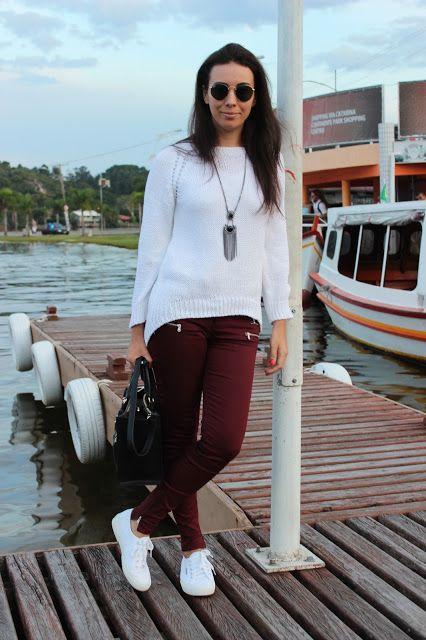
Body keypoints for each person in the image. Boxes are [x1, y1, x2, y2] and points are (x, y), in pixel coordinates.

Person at [111, 42, 292, 597]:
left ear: (256, 98)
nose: (231, 99)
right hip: (178, 314)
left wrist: (281, 318)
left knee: (223, 439)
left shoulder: (268, 163)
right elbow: (152, 248)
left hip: (239, 317)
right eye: (220, 89)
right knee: (180, 436)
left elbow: (275, 247)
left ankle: (137, 523)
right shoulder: (174, 162)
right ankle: (193, 551)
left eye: (243, 90)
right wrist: (137, 329)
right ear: (205, 95)